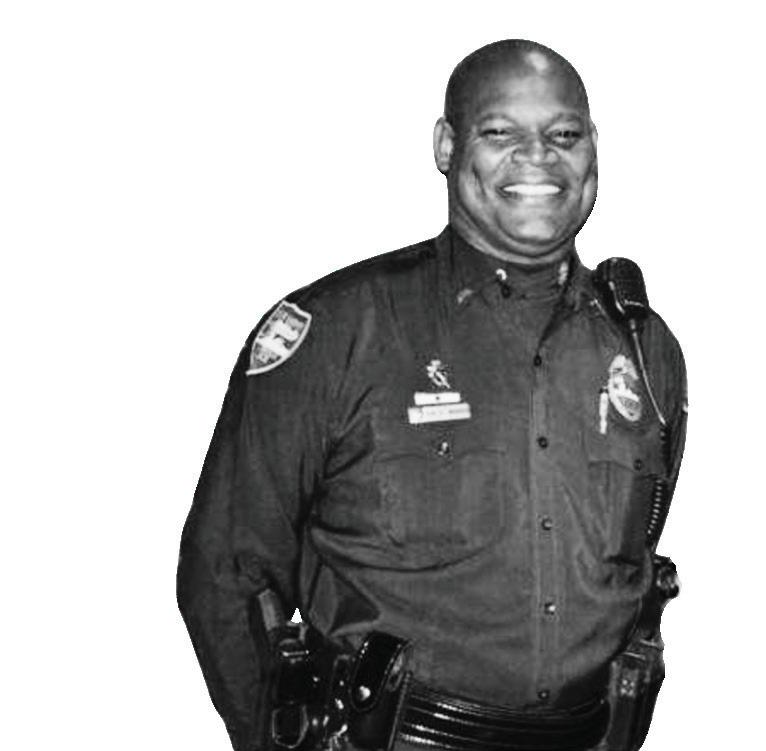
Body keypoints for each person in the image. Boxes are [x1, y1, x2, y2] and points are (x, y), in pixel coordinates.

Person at [177, 39, 687, 751]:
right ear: (447, 145)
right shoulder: (340, 331)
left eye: (564, 135)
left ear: (593, 147)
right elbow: (226, 575)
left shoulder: (642, 350)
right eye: (500, 132)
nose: (537, 157)